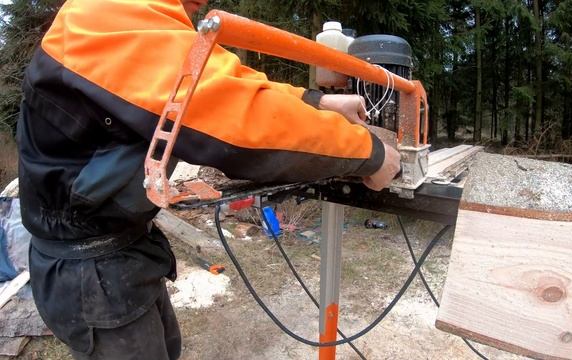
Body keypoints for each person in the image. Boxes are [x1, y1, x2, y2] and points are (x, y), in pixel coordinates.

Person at [17, 0, 400, 359]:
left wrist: (315, 101)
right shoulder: (105, 14)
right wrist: (371, 153)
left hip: (121, 250)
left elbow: (223, 82)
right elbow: (238, 121)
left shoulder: (139, 15)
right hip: (92, 271)